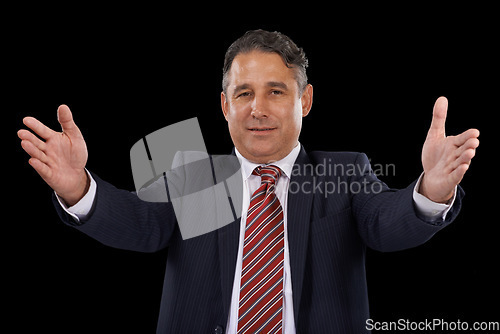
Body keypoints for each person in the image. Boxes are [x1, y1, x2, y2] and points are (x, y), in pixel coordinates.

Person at [17, 30, 479, 333]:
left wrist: (432, 189)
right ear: (224, 105)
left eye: (276, 91)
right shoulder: (197, 176)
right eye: (244, 93)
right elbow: (140, 225)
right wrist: (78, 186)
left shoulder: (343, 172)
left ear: (306, 101)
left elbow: (387, 223)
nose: (258, 108)